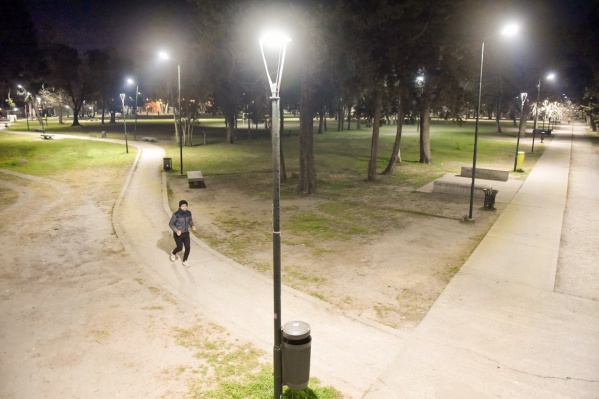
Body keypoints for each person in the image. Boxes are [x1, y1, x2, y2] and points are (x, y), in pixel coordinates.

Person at [169, 200, 196, 267]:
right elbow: (171, 224)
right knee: (179, 248)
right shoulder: (176, 215)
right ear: (180, 206)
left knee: (188, 247)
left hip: (186, 233)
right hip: (178, 234)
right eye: (182, 206)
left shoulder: (189, 213)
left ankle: (185, 261)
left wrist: (192, 225)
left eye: (185, 206)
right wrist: (176, 230)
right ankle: (173, 253)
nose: (184, 207)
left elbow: (190, 220)